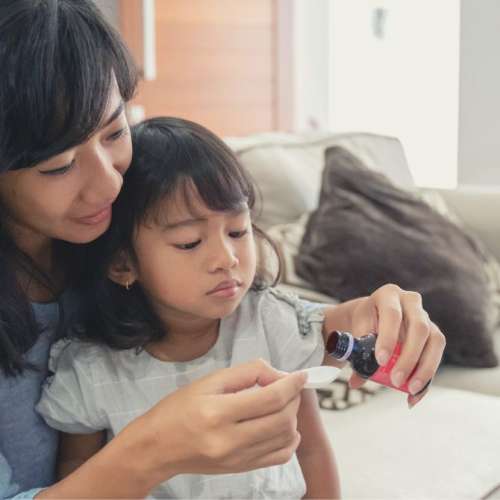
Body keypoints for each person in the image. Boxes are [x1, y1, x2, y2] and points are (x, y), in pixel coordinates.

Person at [0, 1, 445, 498]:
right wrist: (152, 451)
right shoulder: (90, 364)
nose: (108, 185)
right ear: (124, 265)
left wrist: (371, 315)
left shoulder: (131, 244)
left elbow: (310, 328)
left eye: (115, 132)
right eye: (58, 166)